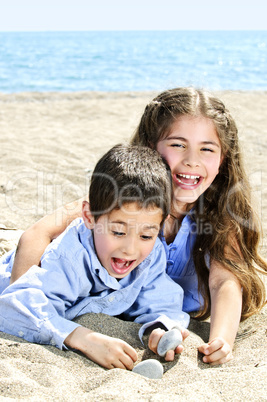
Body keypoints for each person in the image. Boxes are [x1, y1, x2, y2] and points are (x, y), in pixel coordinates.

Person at [10, 87, 267, 365]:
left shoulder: (220, 215)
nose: (192, 160)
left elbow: (223, 282)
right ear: (150, 147)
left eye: (206, 149)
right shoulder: (120, 202)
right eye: (178, 145)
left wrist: (221, 341)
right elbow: (37, 234)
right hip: (79, 289)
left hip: (144, 304)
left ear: (223, 158)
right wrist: (30, 305)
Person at [0, 144, 190, 370]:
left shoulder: (151, 253)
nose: (130, 248)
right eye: (118, 232)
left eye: (146, 235)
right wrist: (84, 338)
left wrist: (159, 328)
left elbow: (161, 299)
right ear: (90, 217)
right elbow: (16, 306)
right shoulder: (70, 257)